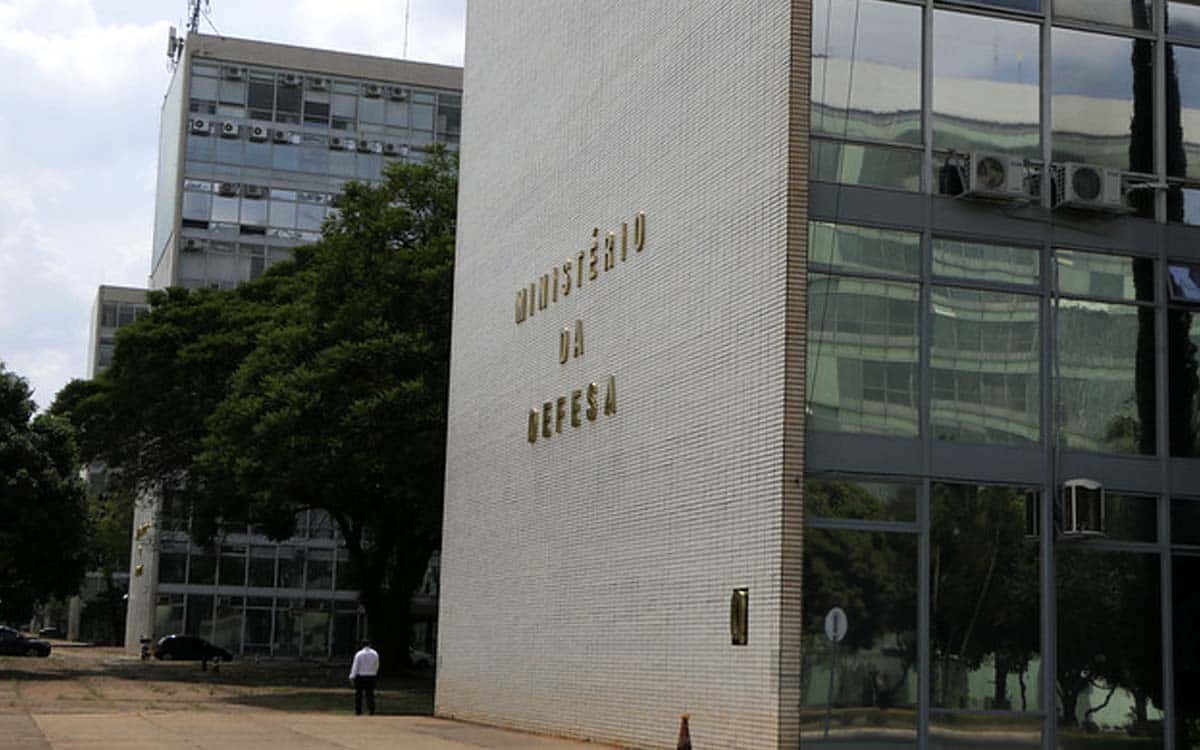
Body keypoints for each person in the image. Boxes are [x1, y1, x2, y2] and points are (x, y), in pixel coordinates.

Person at [349, 639, 380, 715]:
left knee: (359, 694)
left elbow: (355, 666)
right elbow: (377, 664)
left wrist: (352, 676)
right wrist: (374, 672)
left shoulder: (359, 654)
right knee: (370, 694)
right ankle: (371, 710)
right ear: (370, 645)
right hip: (371, 676)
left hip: (361, 676)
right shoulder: (375, 653)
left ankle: (358, 710)